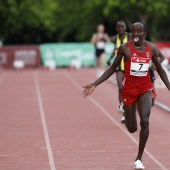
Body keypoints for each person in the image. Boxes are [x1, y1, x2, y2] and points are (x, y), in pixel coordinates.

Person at [82, 22, 170, 169]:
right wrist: (95, 83)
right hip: (129, 91)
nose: (135, 33)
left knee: (145, 120)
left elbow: (160, 70)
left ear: (144, 34)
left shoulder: (151, 49)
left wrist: (169, 87)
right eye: (133, 31)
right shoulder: (125, 48)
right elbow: (112, 68)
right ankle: (124, 106)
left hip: (145, 89)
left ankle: (139, 158)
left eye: (138, 31)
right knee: (132, 128)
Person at [107, 20, 132, 123]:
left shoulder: (130, 36)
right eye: (118, 27)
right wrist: (110, 58)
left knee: (130, 89)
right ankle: (124, 112)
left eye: (122, 27)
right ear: (116, 28)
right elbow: (115, 49)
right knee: (121, 87)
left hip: (129, 65)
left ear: (125, 28)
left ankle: (131, 110)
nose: (120, 28)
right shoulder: (114, 39)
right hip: (119, 67)